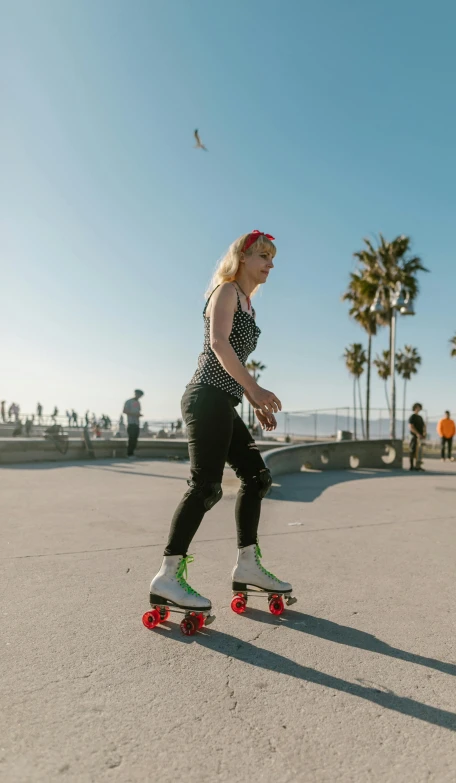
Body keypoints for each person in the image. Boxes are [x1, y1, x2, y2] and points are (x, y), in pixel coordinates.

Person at [147, 230, 293, 622]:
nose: (270, 264)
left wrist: (250, 399)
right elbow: (218, 344)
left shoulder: (249, 305)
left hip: (223, 400)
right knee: (206, 487)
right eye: (263, 255)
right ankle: (167, 575)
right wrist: (256, 388)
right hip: (205, 397)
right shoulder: (226, 291)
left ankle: (247, 564)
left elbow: (232, 360)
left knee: (257, 477)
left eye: (272, 257)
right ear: (242, 257)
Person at [123, 390, 144, 457]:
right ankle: (129, 454)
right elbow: (125, 411)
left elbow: (138, 411)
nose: (139, 396)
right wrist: (134, 414)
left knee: (135, 439)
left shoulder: (138, 402)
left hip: (137, 423)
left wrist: (138, 415)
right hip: (131, 423)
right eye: (138, 394)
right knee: (131, 438)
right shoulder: (129, 401)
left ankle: (132, 453)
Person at [409, 402, 426, 471]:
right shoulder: (412, 417)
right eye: (417, 407)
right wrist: (417, 433)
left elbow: (423, 426)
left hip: (420, 437)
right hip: (414, 436)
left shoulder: (420, 417)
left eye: (419, 407)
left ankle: (418, 466)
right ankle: (412, 466)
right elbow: (411, 426)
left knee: (419, 452)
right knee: (413, 450)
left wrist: (424, 433)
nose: (418, 409)